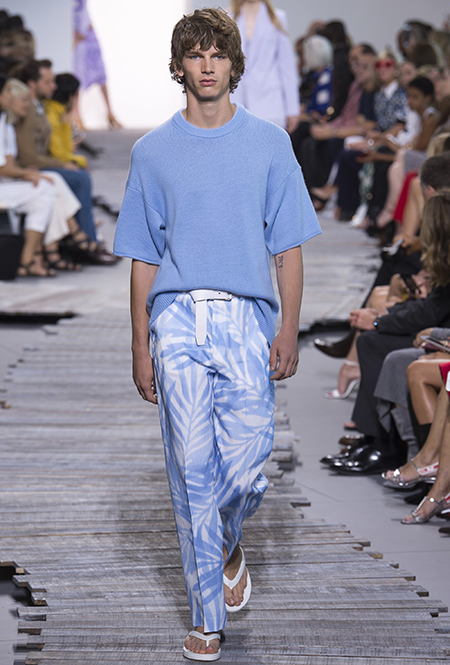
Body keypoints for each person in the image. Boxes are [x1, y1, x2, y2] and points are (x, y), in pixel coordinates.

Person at [113, 8, 320, 660]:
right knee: (192, 469)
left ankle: (228, 543)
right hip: (176, 317)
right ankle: (207, 618)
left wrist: (289, 327)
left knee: (249, 466)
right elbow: (143, 255)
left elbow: (288, 247)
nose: (207, 66)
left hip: (246, 318)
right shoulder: (152, 151)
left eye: (218, 54)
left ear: (234, 64)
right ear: (180, 66)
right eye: (195, 55)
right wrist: (140, 343)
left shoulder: (269, 144)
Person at [14, 59, 117, 264]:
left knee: (78, 177)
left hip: (40, 165)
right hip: (31, 168)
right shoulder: (29, 111)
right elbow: (30, 156)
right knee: (79, 179)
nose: (54, 86)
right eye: (48, 82)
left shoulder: (40, 108)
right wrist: (63, 163)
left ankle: (83, 237)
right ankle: (86, 239)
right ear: (32, 84)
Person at [229, 0, 299, 132]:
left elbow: (286, 66)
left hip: (270, 101)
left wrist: (292, 110)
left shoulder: (277, 18)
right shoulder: (228, 17)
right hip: (236, 98)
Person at [72, 0, 121, 129]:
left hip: (88, 35)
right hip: (79, 37)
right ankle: (76, 114)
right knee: (78, 75)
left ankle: (110, 113)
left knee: (101, 74)